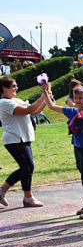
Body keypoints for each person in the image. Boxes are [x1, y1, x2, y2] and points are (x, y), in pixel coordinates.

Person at [42, 77, 83, 218]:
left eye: (81, 98)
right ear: (73, 98)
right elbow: (51, 107)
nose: (78, 100)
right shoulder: (71, 111)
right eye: (76, 98)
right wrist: (44, 91)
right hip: (78, 147)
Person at [0, 76, 46, 207]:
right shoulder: (4, 103)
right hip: (14, 139)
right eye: (13, 85)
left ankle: (2, 190)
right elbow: (28, 110)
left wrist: (46, 98)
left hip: (23, 138)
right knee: (28, 167)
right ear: (4, 88)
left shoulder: (17, 100)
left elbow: (36, 111)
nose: (16, 88)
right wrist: (42, 96)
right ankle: (28, 197)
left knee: (25, 167)